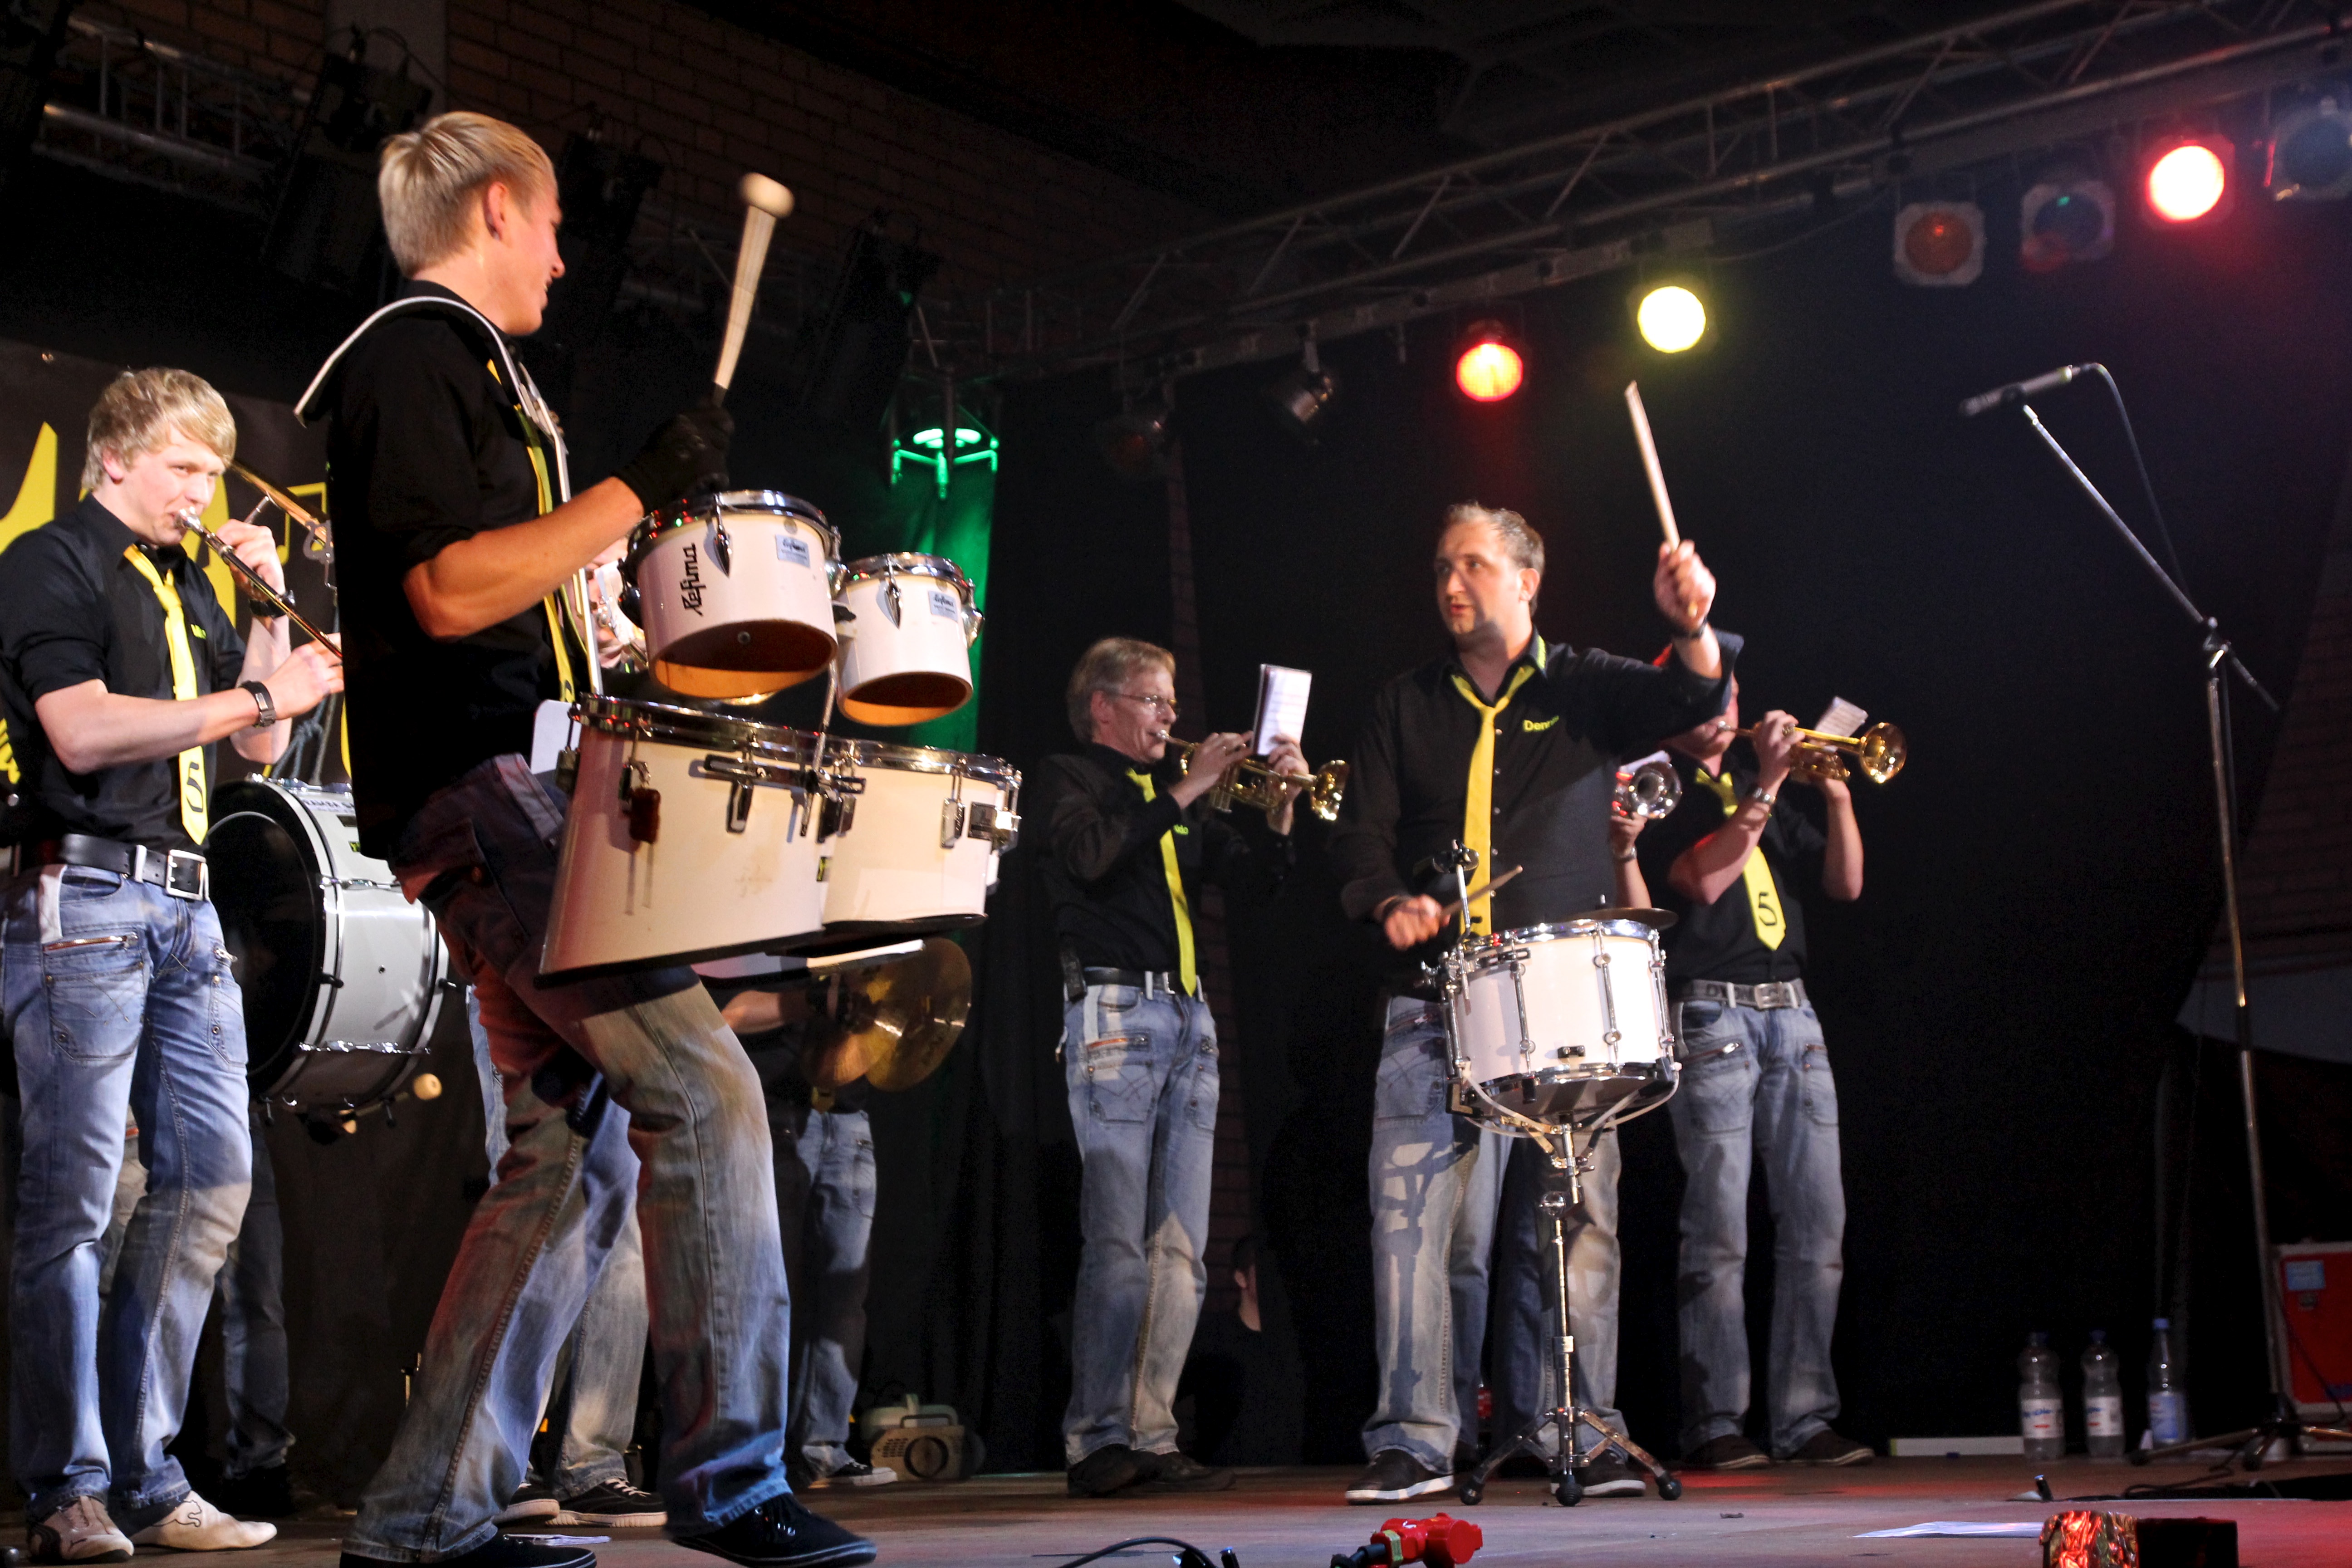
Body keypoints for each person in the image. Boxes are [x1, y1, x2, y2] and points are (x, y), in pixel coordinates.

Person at [298, 111, 869, 1568]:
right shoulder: (414, 354)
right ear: (498, 207)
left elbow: (494, 587)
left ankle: (426, 1516)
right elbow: (444, 591)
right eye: (554, 227)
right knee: (708, 1090)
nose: (562, 258)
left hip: (490, 795)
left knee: (573, 1160)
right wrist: (636, 490)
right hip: (487, 798)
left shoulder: (469, 366)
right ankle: (730, 1479)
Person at [1328, 502, 1735, 1504]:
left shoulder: (1582, 686)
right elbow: (1359, 838)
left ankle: (1575, 1429)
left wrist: (1691, 624)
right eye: (1440, 567)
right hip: (1434, 1001)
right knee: (1425, 1232)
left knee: (1577, 1226)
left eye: (1471, 565)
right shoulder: (1402, 704)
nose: (1450, 584)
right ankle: (1417, 1439)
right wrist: (1386, 902)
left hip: (1561, 1001)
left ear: (1525, 581)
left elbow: (1693, 694)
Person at [0, 368, 342, 1561]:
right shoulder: (53, 561)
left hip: (191, 913)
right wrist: (255, 689)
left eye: (212, 471)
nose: (203, 492)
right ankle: (67, 1490)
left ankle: (148, 1476)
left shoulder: (189, 580)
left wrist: (265, 618)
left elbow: (261, 744)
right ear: (115, 458)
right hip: (86, 895)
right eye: (184, 468)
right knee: (80, 1204)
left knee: (211, 1184)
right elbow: (83, 728)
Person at [1038, 637, 1302, 1498]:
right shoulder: (1071, 778)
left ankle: (1151, 1432)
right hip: (1116, 1015)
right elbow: (1090, 856)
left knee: (1182, 1253)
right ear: (1104, 706)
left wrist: (1281, 813)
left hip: (1190, 1020)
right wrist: (1185, 789)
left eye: (1171, 703)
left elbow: (1256, 889)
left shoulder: (1175, 806)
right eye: (1154, 701)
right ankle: (1096, 1438)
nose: (1170, 718)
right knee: (1117, 1245)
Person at [1641, 683, 1870, 1470]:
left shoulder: (1751, 787)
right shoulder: (1659, 786)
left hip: (1795, 1014)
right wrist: (1770, 782)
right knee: (1719, 1230)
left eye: (1732, 695)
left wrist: (1835, 794)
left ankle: (1805, 1417)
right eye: (1711, 696)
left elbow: (1845, 884)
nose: (1727, 710)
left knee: (1818, 1226)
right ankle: (1715, 1422)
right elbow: (1701, 881)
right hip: (1713, 1018)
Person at [1481, 771, 1661, 1496]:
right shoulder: (1515, 784)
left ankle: (1589, 1429)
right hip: (1496, 1012)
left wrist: (1623, 849)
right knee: (1503, 1241)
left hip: (1585, 1025)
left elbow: (1642, 925)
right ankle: (1526, 1423)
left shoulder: (1594, 797)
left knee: (1585, 1227)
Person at [466, 997, 666, 1529]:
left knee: (624, 1234)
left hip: (615, 989)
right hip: (524, 984)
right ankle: (499, 1465)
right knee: (536, 1216)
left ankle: (591, 1466)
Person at [712, 978, 896, 1491]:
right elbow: (728, 1015)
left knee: (845, 1296)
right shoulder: (767, 953)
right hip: (775, 1112)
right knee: (772, 1288)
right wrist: (811, 1002)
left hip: (849, 1119)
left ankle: (824, 1446)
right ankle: (760, 1451)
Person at [1175, 1234, 1303, 1466]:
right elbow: (1166, 1398)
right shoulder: (1212, 1338)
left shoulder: (1295, 1342)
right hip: (1224, 1478)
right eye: (1264, 1269)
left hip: (1289, 1478)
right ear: (1242, 1278)